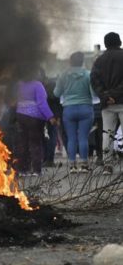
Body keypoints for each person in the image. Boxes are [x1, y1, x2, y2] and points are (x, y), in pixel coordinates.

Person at [54, 52, 95, 173]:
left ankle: (72, 165)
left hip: (69, 109)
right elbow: (93, 93)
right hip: (85, 108)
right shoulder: (88, 75)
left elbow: (56, 93)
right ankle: (84, 165)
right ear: (82, 61)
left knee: (71, 138)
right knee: (83, 138)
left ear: (70, 61)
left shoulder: (63, 75)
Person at [90, 32, 123, 175]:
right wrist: (115, 95)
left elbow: (94, 80)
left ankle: (107, 166)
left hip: (107, 105)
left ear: (105, 44)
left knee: (107, 134)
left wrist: (105, 96)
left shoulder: (99, 60)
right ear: (120, 42)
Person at [15, 66, 57, 176]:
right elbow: (42, 104)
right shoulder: (37, 85)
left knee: (23, 143)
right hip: (34, 118)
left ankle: (23, 169)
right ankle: (36, 169)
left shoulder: (19, 85)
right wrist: (50, 116)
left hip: (20, 116)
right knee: (35, 143)